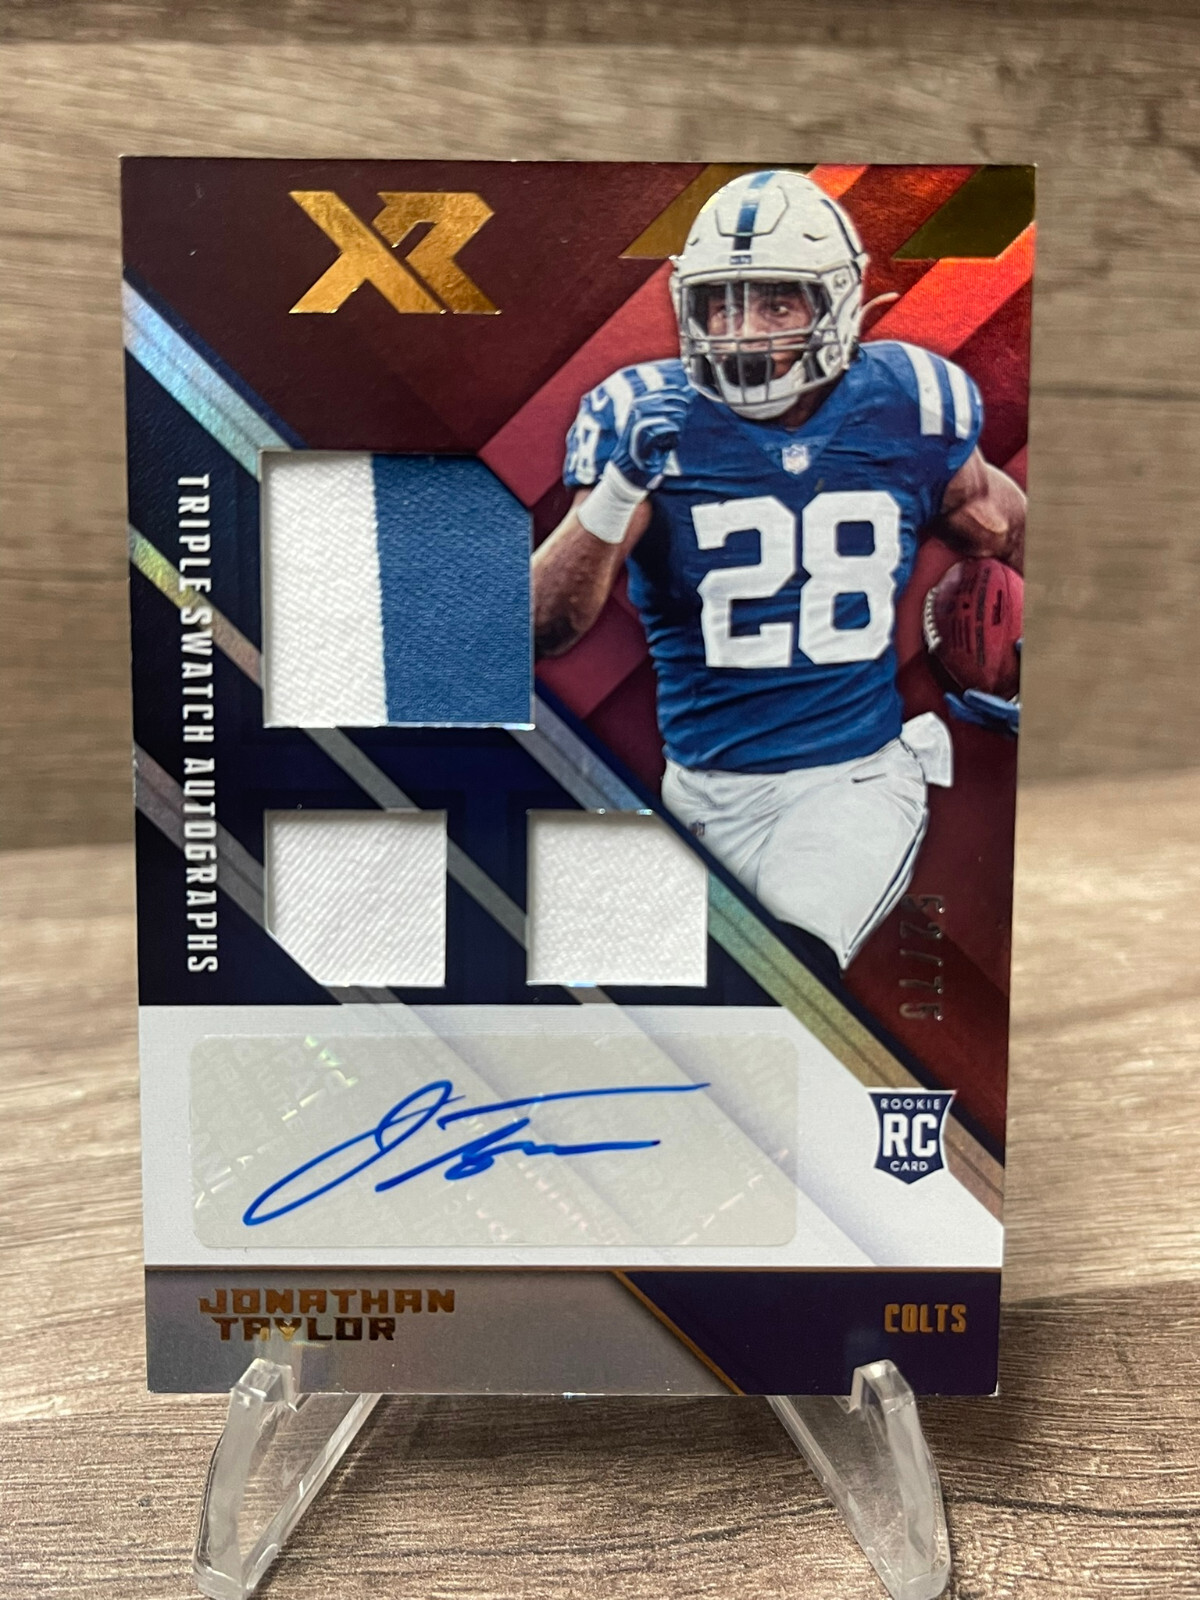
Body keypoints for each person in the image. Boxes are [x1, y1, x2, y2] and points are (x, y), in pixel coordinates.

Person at [533, 170, 1025, 970]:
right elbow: (541, 629)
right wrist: (619, 487)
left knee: (785, 970)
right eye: (721, 305)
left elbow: (1004, 528)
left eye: (776, 304)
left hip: (850, 784)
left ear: (837, 304)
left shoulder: (908, 405)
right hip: (697, 792)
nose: (742, 332)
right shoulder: (647, 419)